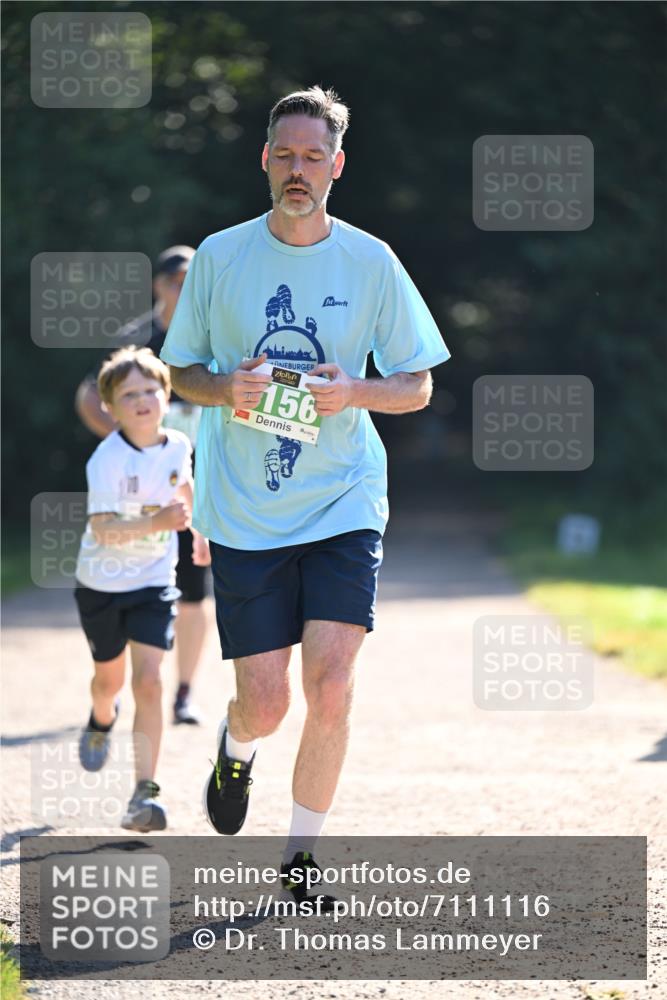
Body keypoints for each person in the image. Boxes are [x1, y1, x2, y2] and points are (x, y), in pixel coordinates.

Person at [160, 86, 450, 903]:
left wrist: (353, 393)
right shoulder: (219, 256)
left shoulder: (370, 261)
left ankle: (299, 858)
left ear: (337, 166)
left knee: (330, 682)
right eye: (284, 154)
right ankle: (235, 744)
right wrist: (228, 389)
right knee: (267, 699)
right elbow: (180, 371)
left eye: (313, 156)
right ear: (263, 159)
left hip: (343, 497)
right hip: (246, 506)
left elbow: (418, 385)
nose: (298, 169)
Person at [75, 347, 210, 832]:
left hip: (154, 581)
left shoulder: (177, 444)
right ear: (110, 407)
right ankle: (100, 717)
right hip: (102, 586)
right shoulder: (106, 459)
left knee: (150, 681)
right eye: (129, 394)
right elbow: (105, 529)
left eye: (151, 390)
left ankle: (144, 793)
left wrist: (199, 533)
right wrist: (158, 520)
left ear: (167, 395)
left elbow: (185, 486)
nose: (142, 400)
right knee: (107, 683)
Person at [75, 246, 209, 725]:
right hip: (137, 487)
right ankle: (121, 687)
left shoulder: (210, 334)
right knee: (132, 586)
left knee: (194, 593)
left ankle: (184, 693)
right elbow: (90, 394)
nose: (181, 287)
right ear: (158, 284)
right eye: (173, 279)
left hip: (189, 478)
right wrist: (125, 443)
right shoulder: (137, 339)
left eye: (190, 279)